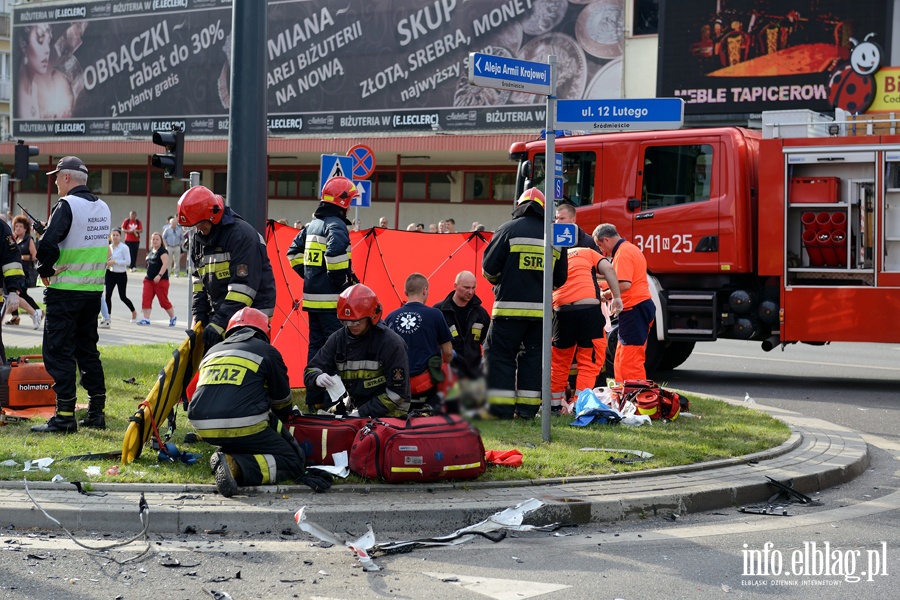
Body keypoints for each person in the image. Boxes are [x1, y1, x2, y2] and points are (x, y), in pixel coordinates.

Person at [188, 308, 331, 497]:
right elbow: (282, 403)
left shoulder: (212, 351)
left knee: (244, 438)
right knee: (292, 461)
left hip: (202, 426)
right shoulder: (267, 351)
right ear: (264, 331)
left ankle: (227, 453)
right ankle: (236, 466)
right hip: (244, 424)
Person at [32, 156, 110, 433]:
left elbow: (48, 244)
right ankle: (96, 411)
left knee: (58, 352)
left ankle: (64, 415)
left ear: (66, 178)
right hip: (92, 291)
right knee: (88, 349)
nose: (54, 182)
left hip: (64, 290)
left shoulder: (66, 205)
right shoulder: (103, 207)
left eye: (56, 177)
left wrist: (46, 267)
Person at [481, 188, 567, 419]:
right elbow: (560, 279)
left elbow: (488, 270)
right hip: (541, 317)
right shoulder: (554, 235)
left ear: (519, 205)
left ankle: (501, 410)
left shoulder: (507, 229)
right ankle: (528, 411)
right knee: (533, 359)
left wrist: (503, 280)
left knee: (500, 356)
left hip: (507, 311)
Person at [285, 177, 359, 412]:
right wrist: (341, 283)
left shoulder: (311, 226)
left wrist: (311, 277)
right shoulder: (336, 225)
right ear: (342, 201)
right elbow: (335, 254)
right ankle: (332, 403)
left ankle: (313, 399)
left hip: (312, 301)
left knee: (315, 351)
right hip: (331, 303)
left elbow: (292, 254)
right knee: (335, 352)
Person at [178, 185, 277, 352]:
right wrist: (199, 317)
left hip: (252, 314)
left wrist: (219, 323)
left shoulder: (241, 235)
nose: (198, 229)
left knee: (240, 363)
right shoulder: (199, 238)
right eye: (194, 226)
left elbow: (243, 289)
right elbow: (199, 281)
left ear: (213, 215)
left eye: (200, 223)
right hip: (223, 311)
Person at [304, 284, 410, 418]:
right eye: (346, 322)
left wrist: (361, 413)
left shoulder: (391, 344)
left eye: (357, 322)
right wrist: (316, 378)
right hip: (357, 408)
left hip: (390, 413)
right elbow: (310, 370)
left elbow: (397, 394)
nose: (351, 326)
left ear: (372, 316)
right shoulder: (338, 339)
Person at [550, 247, 623, 413]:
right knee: (589, 360)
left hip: (561, 310)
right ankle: (579, 406)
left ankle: (554, 406)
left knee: (559, 361)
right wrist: (616, 297)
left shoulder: (554, 253)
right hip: (588, 309)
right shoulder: (588, 252)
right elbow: (609, 269)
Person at [593, 224, 655, 382]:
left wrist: (605, 295)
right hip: (636, 308)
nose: (602, 251)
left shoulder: (623, 253)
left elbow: (624, 284)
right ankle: (624, 396)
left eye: (600, 245)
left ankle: (634, 399)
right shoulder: (629, 249)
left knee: (630, 359)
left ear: (606, 239)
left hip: (634, 308)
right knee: (622, 356)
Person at [385, 273, 452, 412]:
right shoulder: (435, 314)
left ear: (405, 292)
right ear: (424, 290)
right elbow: (448, 352)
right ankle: (433, 406)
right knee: (452, 362)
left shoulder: (390, 317)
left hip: (396, 382)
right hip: (423, 382)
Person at [433, 270, 491, 412]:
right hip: (447, 372)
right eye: (466, 287)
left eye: (473, 287)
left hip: (473, 372)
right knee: (447, 412)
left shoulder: (481, 314)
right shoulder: (439, 311)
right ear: (455, 286)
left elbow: (487, 342)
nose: (470, 292)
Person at [16, 24, 75, 120]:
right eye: (40, 41)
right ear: (23, 46)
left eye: (48, 42)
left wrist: (55, 118)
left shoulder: (34, 89)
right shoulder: (16, 92)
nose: (47, 50)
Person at [7, 216, 43, 330]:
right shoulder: (15, 239)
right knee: (15, 293)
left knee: (20, 294)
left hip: (24, 272)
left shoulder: (28, 239)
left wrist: (22, 257)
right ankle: (16, 316)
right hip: (15, 271)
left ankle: (37, 311)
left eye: (21, 226)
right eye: (16, 226)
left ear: (25, 228)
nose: (18, 228)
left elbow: (35, 255)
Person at [136, 232, 177, 327]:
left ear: (161, 241)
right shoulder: (150, 251)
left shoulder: (162, 251)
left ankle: (172, 317)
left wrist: (159, 275)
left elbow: (165, 263)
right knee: (146, 298)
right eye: (153, 239)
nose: (155, 241)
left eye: (157, 239)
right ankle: (146, 319)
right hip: (149, 280)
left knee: (163, 301)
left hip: (161, 280)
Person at [105, 228, 137, 324]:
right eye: (113, 235)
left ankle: (133, 312)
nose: (115, 237)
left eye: (117, 235)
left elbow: (128, 262)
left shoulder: (124, 248)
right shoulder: (109, 247)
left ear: (120, 236)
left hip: (121, 274)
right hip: (110, 273)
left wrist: (115, 262)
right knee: (108, 295)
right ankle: (108, 316)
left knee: (122, 296)